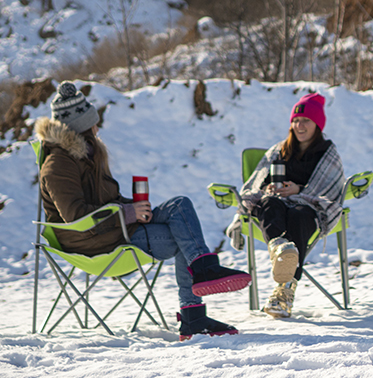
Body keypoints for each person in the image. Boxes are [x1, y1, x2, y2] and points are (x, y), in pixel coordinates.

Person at [35, 81, 251, 340]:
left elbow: (106, 200)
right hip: (92, 241)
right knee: (182, 237)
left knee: (180, 206)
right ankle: (194, 312)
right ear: (83, 129)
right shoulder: (58, 164)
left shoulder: (86, 157)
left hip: (113, 229)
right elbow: (76, 217)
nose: (98, 127)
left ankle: (202, 271)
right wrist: (127, 213)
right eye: (94, 123)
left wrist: (132, 207)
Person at [230, 92, 345, 318]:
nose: (299, 125)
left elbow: (328, 190)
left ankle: (284, 288)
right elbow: (255, 185)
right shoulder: (279, 150)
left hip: (308, 208)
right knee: (269, 204)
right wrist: (269, 190)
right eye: (295, 120)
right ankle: (281, 248)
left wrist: (299, 190)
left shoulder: (327, 153)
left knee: (299, 216)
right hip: (276, 206)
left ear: (317, 124)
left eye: (306, 121)